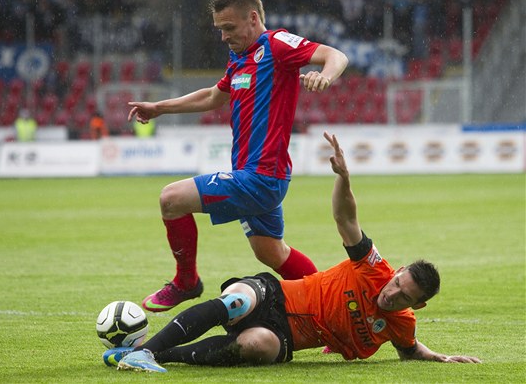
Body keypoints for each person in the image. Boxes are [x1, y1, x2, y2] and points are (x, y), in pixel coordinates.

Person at [103, 132, 481, 372]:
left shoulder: (402, 323)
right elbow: (346, 219)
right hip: (274, 294)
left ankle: (157, 355)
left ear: (417, 305)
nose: (393, 292)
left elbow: (410, 349)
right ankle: (145, 351)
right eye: (398, 282)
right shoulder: (373, 268)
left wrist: (440, 358)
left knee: (256, 346)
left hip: (284, 336)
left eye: (404, 296)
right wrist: (343, 179)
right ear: (397, 271)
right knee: (236, 300)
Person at [127, 0, 349, 313]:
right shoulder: (239, 57)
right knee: (272, 252)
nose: (223, 36)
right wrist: (160, 107)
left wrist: (326, 76)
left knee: (171, 199)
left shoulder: (276, 45)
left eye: (229, 28)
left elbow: (336, 55)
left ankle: (186, 282)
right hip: (254, 176)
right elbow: (213, 97)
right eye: (219, 29)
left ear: (253, 17)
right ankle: (333, 316)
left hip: (261, 178)